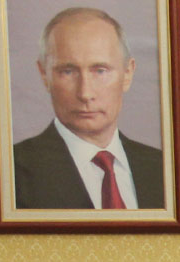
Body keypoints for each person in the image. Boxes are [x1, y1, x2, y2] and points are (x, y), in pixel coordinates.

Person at [13, 7, 166, 210]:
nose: (85, 93)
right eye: (68, 72)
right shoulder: (11, 172)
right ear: (44, 75)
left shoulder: (164, 169)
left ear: (128, 73)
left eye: (100, 71)